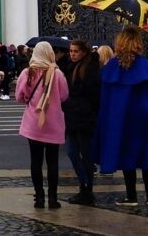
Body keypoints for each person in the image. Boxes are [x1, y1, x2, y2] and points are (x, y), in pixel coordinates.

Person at [98, 26, 148, 207]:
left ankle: (131, 196)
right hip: (144, 118)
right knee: (146, 154)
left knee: (127, 155)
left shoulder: (112, 66)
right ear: (138, 44)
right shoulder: (145, 65)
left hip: (121, 118)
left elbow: (106, 98)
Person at [16, 42, 69, 209]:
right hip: (53, 122)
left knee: (35, 160)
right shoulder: (57, 74)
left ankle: (39, 198)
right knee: (53, 161)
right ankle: (53, 199)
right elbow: (64, 96)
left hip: (33, 122)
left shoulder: (27, 72)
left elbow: (19, 96)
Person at [62, 39, 100, 205]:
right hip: (72, 117)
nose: (72, 54)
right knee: (71, 151)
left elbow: (91, 94)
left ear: (84, 52)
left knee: (86, 155)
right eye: (71, 51)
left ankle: (87, 189)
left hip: (84, 118)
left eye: (76, 51)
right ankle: (84, 183)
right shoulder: (70, 67)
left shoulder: (90, 69)